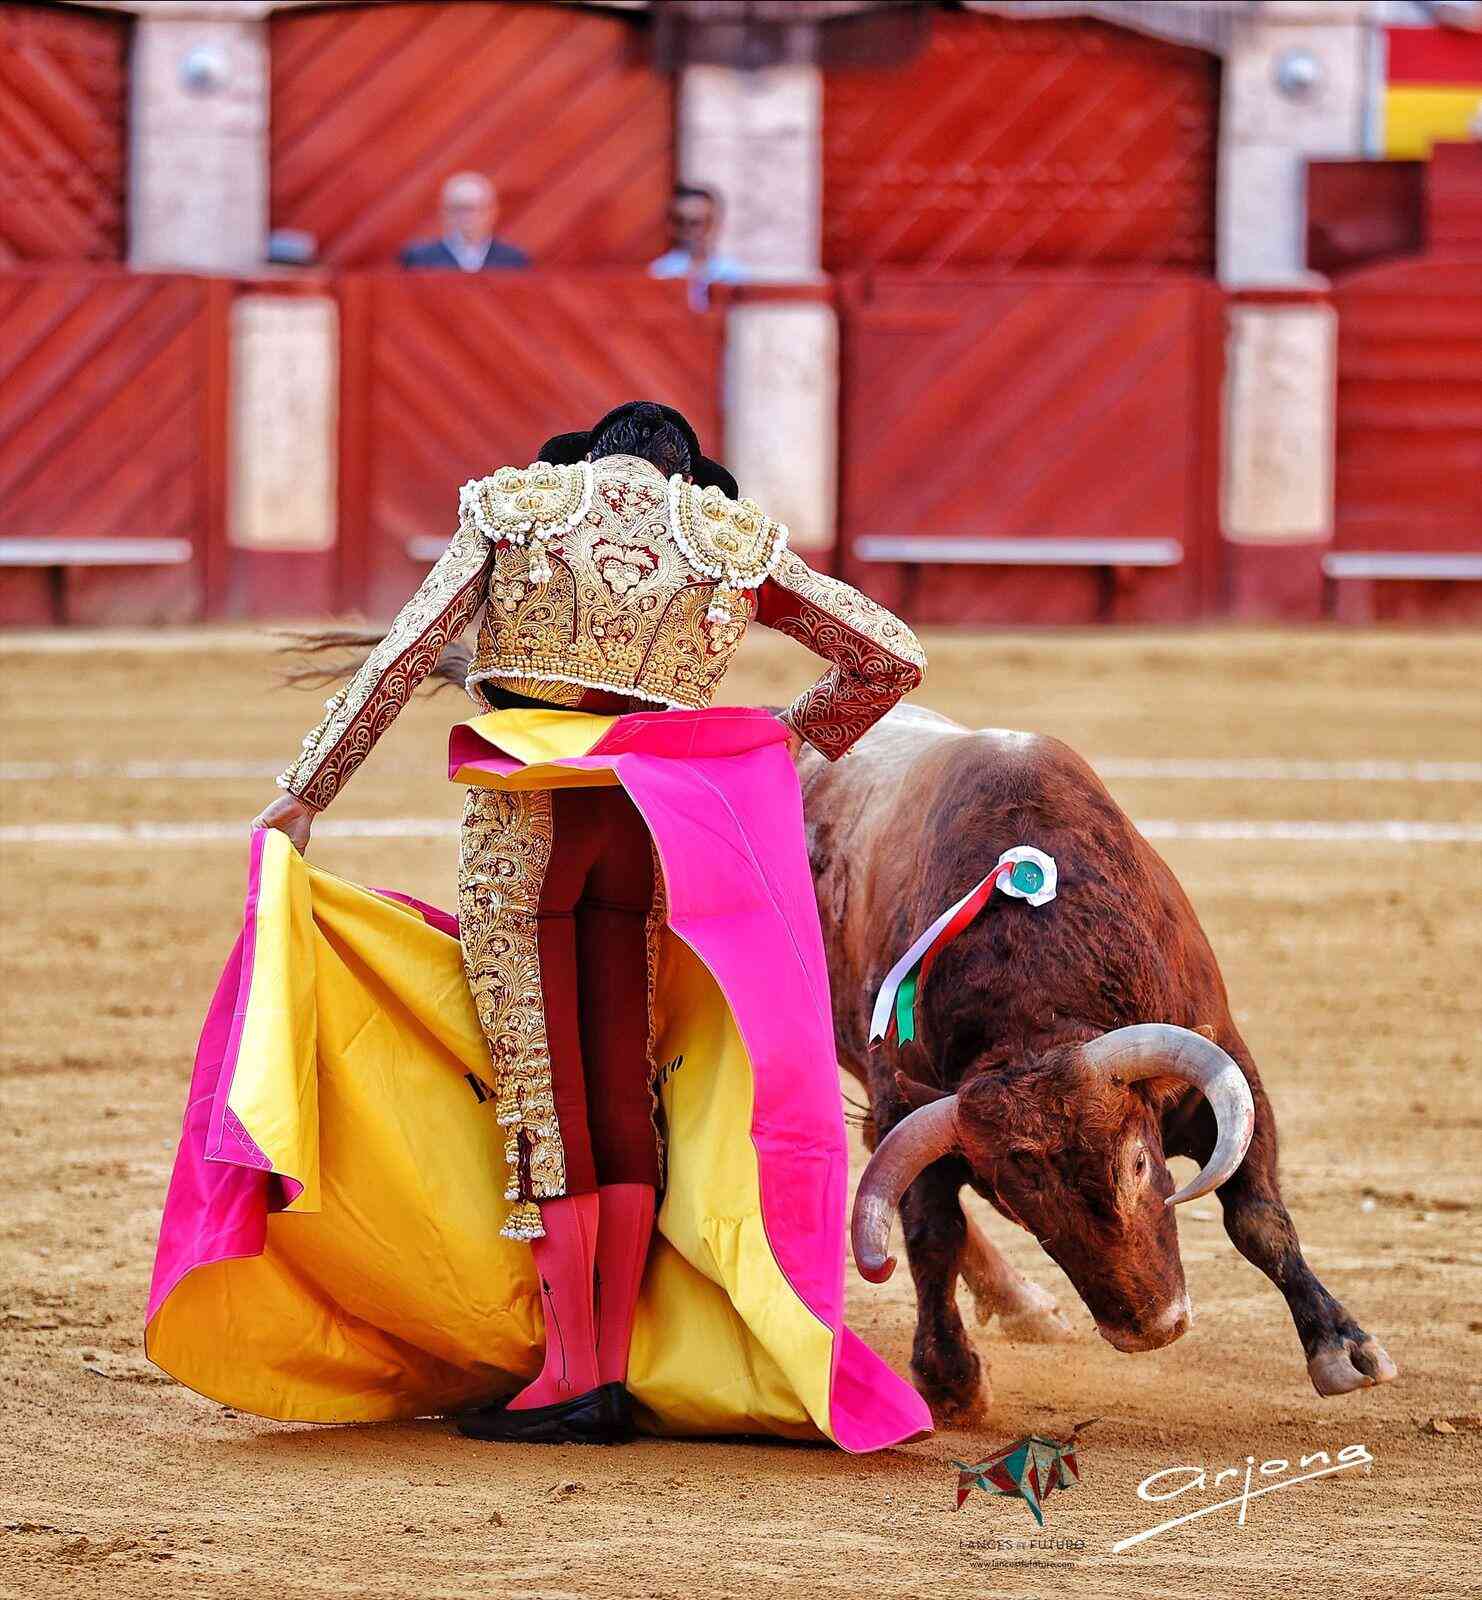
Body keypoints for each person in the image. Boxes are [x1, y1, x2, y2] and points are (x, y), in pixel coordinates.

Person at [152, 401, 931, 1451]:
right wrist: (773, 740)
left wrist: (307, 791)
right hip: (646, 826)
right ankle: (608, 1368)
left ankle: (568, 1374)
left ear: (591, 456)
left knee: (541, 1086)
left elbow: (401, 656)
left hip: (528, 823)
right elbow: (888, 656)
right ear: (683, 473)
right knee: (619, 1083)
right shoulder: (724, 539)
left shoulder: (520, 506)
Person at [400, 172, 529, 271]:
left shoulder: (513, 260)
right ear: (445, 213)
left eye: (476, 208)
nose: (468, 217)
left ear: (492, 212)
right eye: (459, 208)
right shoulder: (419, 259)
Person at [648, 184, 747, 308]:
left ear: (716, 223)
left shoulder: (733, 272)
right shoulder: (661, 271)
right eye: (681, 222)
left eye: (699, 222)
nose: (691, 230)